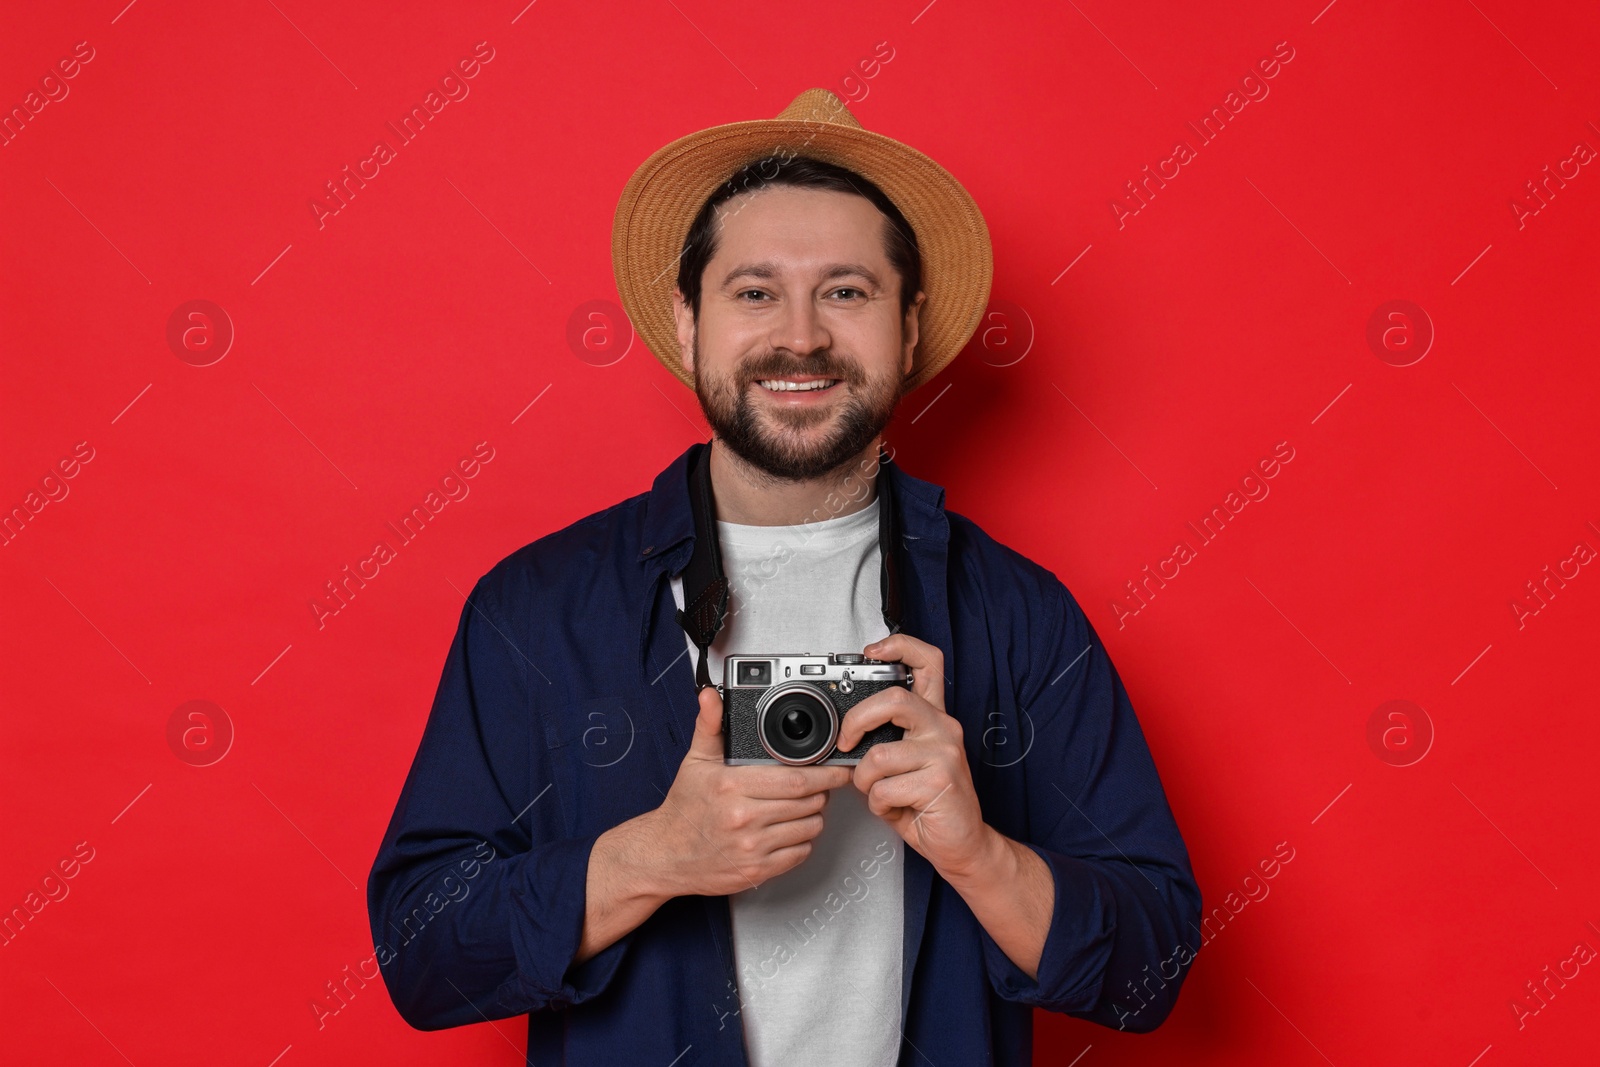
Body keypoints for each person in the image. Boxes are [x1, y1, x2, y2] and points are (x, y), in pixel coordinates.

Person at [367, 87, 1202, 1066]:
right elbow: (421, 954)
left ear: (908, 322)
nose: (799, 336)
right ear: (688, 324)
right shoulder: (538, 607)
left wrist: (977, 853)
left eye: (846, 291)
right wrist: (652, 856)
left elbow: (1153, 966)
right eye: (754, 291)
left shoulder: (1018, 615)